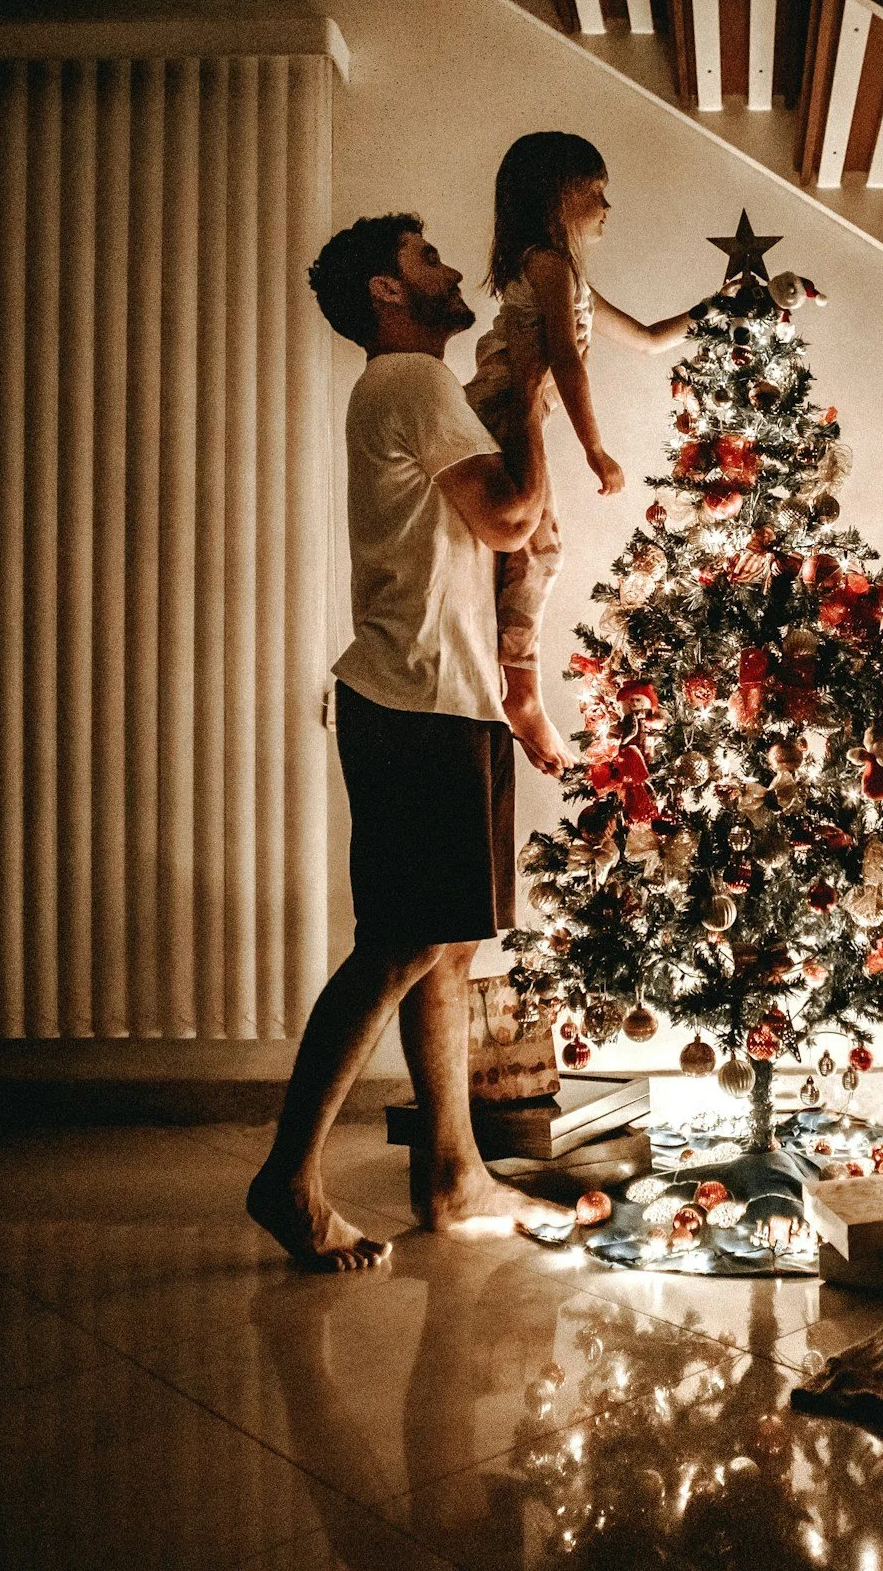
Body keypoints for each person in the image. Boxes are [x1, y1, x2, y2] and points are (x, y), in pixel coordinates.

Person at [249, 213, 570, 1270]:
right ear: (387, 293)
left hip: (447, 696)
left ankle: (451, 1172)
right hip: (418, 698)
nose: (441, 272)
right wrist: (529, 386)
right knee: (399, 938)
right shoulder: (412, 382)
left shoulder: (406, 392)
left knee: (442, 938)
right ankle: (290, 1178)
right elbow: (512, 518)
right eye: (423, 259)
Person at [466, 131, 699, 776]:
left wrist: (718, 307)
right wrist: (596, 450)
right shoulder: (548, 265)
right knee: (536, 548)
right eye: (595, 191)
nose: (606, 206)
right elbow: (565, 361)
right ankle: (522, 694)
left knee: (531, 552)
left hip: (512, 418)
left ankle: (516, 686)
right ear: (556, 197)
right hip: (499, 416)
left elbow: (650, 339)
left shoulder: (565, 275)